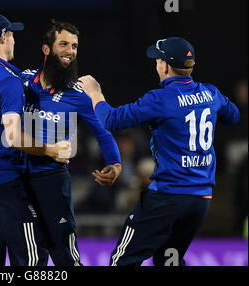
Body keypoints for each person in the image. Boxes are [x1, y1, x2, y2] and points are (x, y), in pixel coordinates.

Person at [78, 37, 240, 266]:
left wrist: (95, 94)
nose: (156, 65)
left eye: (157, 60)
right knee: (168, 260)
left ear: (164, 65)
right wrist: (209, 102)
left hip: (168, 196)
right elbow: (234, 115)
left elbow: (112, 120)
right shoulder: (210, 93)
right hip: (200, 200)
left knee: (121, 261)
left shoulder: (160, 99)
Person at [0, 13, 70, 266]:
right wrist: (50, 150)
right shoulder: (8, 80)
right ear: (3, 37)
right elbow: (13, 136)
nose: (14, 40)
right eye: (11, 34)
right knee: (32, 256)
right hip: (0, 178)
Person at [18, 19, 122, 266]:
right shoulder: (20, 81)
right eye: (63, 44)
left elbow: (103, 132)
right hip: (17, 182)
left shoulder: (78, 95)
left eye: (74, 46)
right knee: (30, 258)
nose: (70, 51)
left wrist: (115, 164)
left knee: (66, 255)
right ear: (46, 49)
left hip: (52, 180)